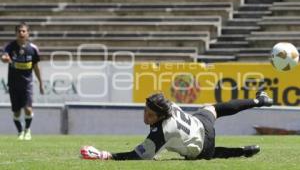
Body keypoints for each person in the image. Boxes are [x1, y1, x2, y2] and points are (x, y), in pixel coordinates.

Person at [80, 91, 273, 160]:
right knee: (213, 108)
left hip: (203, 145)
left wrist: (106, 155)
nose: (145, 116)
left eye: (150, 114)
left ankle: (241, 151)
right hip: (200, 122)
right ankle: (260, 101)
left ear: (161, 115)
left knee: (208, 154)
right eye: (145, 109)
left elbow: (135, 156)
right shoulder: (168, 106)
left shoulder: (161, 133)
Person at [1, 22, 44, 140]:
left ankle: (27, 130)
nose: (21, 33)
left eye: (23, 31)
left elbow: (36, 67)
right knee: (16, 112)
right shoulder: (10, 46)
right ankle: (20, 131)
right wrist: (5, 59)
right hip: (13, 84)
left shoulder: (33, 49)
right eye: (19, 31)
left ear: (28, 33)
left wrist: (40, 82)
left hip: (27, 84)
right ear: (16, 33)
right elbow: (4, 56)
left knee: (28, 109)